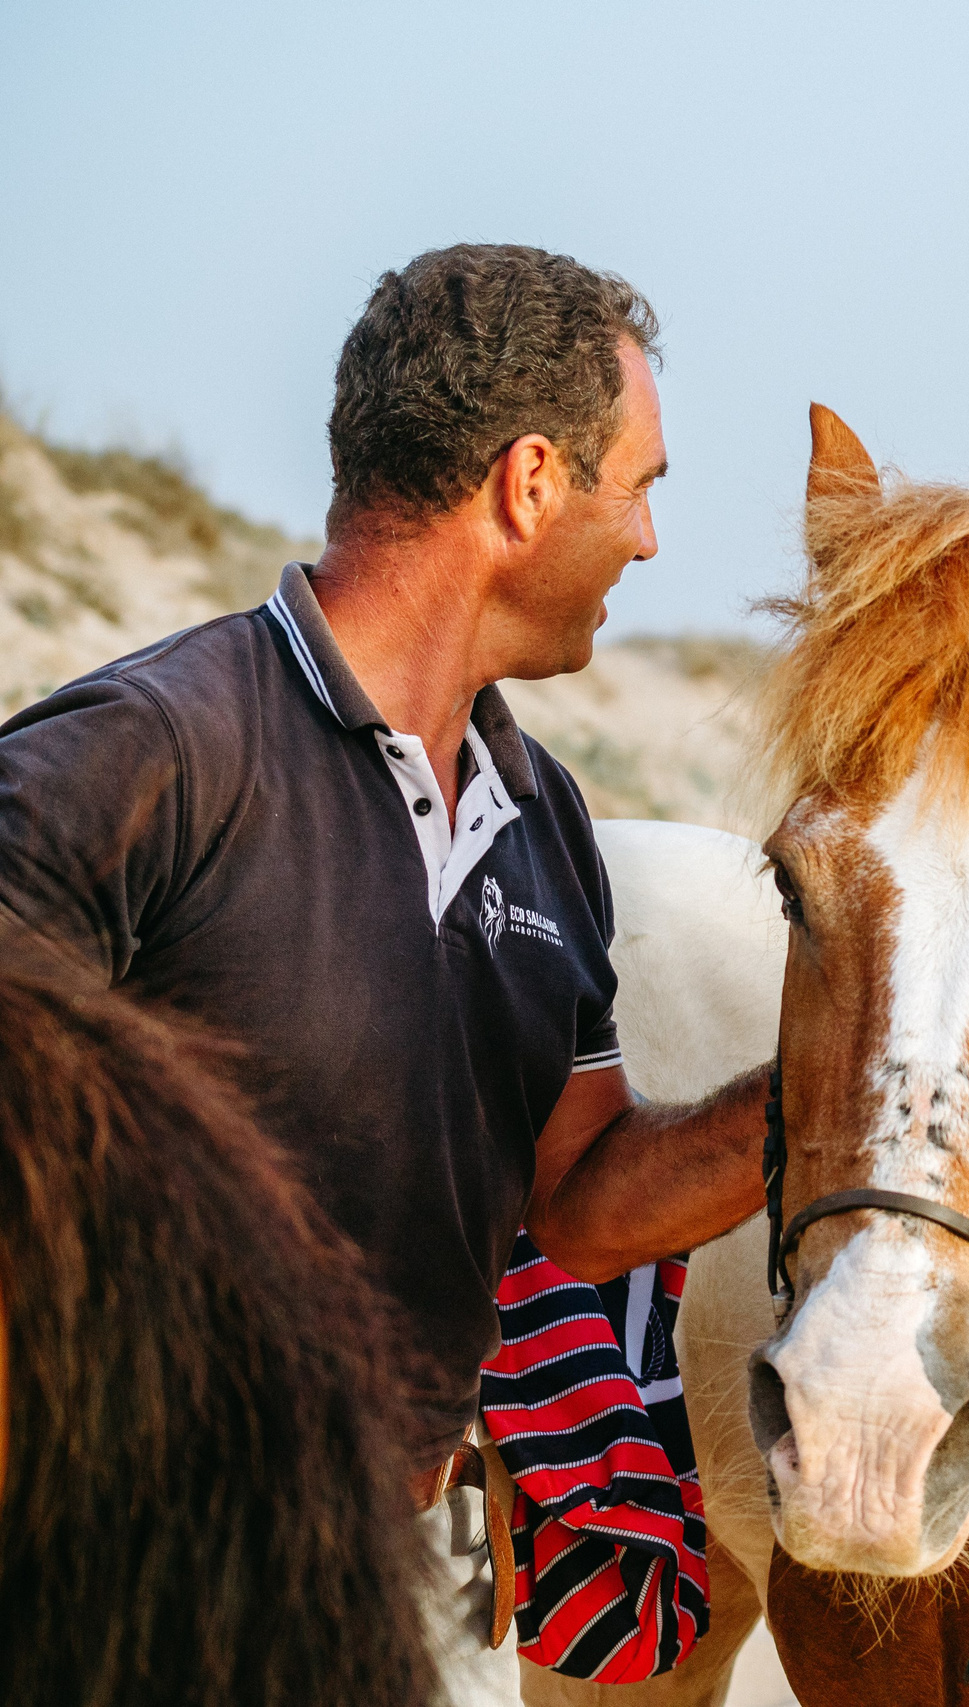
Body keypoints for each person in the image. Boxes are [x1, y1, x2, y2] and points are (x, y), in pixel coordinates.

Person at [0, 244, 770, 1699]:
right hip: (130, 1596)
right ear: (530, 483)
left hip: (410, 1584)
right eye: (639, 486)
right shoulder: (160, 752)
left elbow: (583, 1205)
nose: (650, 541)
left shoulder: (541, 816)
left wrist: (827, 1092)